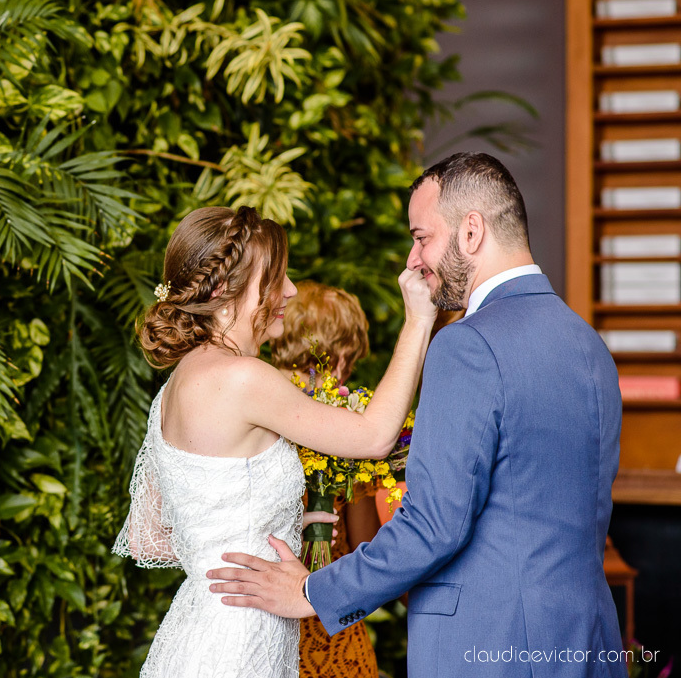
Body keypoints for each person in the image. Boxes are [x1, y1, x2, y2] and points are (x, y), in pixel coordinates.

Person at [208, 152, 624, 677]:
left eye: (422, 237)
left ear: (471, 231)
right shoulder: (589, 345)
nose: (412, 259)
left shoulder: (467, 346)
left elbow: (435, 524)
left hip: (490, 645)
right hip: (589, 643)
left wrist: (310, 591)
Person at [112, 205, 437, 678]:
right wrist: (418, 322)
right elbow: (374, 436)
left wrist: (269, 522)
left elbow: (153, 537)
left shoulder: (172, 391)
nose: (290, 291)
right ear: (224, 290)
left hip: (199, 625)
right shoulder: (244, 377)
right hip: (243, 639)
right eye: (276, 278)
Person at [269, 281, 381, 678]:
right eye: (349, 357)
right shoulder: (349, 427)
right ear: (338, 356)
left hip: (263, 620)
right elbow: (364, 548)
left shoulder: (249, 405)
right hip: (328, 623)